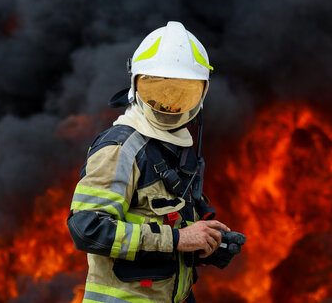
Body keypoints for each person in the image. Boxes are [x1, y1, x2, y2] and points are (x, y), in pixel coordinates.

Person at [67, 21, 245, 303]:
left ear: (202, 94)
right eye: (157, 92)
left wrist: (208, 246)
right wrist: (177, 240)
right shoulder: (121, 149)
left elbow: (164, 231)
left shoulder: (175, 149)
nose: (168, 106)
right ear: (135, 84)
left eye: (180, 95)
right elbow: (87, 229)